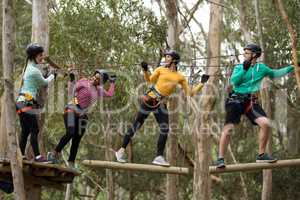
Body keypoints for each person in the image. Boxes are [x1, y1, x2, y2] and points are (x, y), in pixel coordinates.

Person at [115, 50, 210, 166]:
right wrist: (145, 70)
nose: (165, 59)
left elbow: (190, 93)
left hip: (160, 104)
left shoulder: (180, 77)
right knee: (136, 125)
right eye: (165, 57)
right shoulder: (160, 69)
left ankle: (159, 156)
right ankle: (120, 151)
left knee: (165, 129)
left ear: (174, 60)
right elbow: (149, 80)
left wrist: (201, 83)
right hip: (150, 100)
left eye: (168, 57)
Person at [216, 44, 295, 168]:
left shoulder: (261, 68)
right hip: (235, 100)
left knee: (265, 123)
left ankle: (261, 155)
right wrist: (244, 69)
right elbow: (234, 81)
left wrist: (292, 67)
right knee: (229, 128)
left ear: (254, 55)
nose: (244, 54)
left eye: (247, 52)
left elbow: (275, 73)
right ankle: (220, 158)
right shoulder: (239, 67)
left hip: (250, 101)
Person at [47, 68, 116, 168]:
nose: (95, 78)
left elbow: (110, 94)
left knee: (77, 139)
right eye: (95, 76)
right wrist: (71, 79)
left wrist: (112, 83)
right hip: (71, 109)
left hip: (82, 116)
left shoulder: (99, 90)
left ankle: (71, 163)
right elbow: (71, 92)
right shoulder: (84, 81)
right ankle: (54, 153)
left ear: (101, 83)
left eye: (98, 78)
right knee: (70, 132)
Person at [16, 43, 56, 162]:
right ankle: (38, 156)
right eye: (40, 55)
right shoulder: (33, 71)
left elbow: (37, 81)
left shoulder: (28, 68)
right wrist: (52, 75)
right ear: (33, 56)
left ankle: (21, 155)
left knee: (26, 130)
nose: (42, 57)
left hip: (20, 102)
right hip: (27, 102)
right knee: (35, 130)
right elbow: (44, 82)